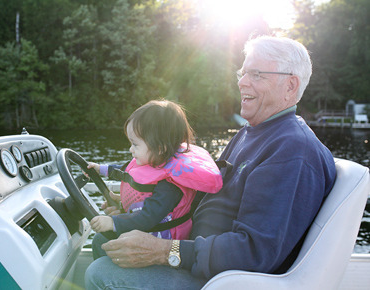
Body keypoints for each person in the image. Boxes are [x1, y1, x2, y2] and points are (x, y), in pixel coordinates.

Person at [85, 36, 336, 290]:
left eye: (257, 74)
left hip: (223, 280)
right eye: (243, 72)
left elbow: (255, 253)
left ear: (290, 85)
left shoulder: (292, 151)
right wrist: (141, 206)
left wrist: (164, 251)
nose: (242, 82)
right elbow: (200, 194)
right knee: (103, 244)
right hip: (201, 262)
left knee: (101, 273)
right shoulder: (251, 133)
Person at [87, 100, 224, 258]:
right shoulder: (158, 160)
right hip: (150, 228)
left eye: (135, 145)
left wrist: (113, 222)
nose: (130, 149)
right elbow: (126, 170)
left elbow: (148, 218)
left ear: (160, 148)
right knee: (100, 239)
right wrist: (99, 168)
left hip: (161, 242)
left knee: (101, 240)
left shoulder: (171, 185)